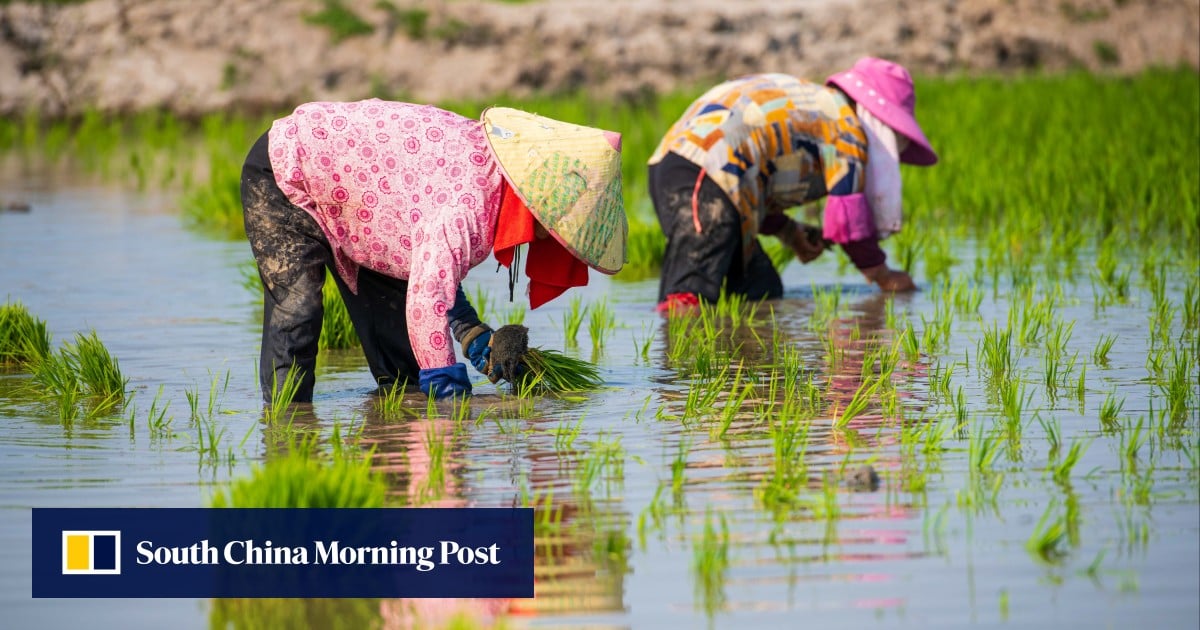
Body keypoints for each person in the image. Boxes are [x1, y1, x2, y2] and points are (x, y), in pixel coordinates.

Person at [241, 100, 626, 402]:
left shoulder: (490, 183)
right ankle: (286, 433)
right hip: (289, 167)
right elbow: (428, 298)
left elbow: (432, 270)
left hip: (369, 208)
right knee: (299, 311)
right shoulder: (470, 204)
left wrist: (472, 334)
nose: (553, 238)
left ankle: (394, 459)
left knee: (402, 368)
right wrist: (450, 397)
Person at [647, 57, 938, 310]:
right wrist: (883, 275)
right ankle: (679, 373)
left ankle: (743, 368)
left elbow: (760, 173)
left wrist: (788, 231)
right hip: (706, 171)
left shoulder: (818, 106)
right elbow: (848, 220)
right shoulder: (846, 127)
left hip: (687, 170)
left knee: (759, 289)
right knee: (689, 294)